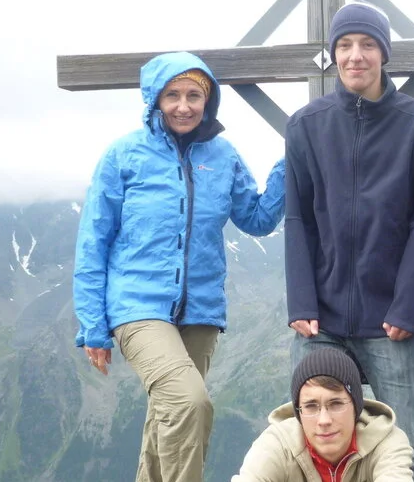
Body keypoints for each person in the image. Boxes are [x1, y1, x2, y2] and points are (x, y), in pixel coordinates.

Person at [73, 51, 286, 482]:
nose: (184, 105)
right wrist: (93, 324)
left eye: (194, 95)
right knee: (190, 403)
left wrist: (292, 163)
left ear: (209, 101)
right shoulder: (124, 155)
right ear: (154, 99)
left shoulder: (223, 155)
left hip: (201, 312)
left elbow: (257, 219)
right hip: (137, 307)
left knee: (166, 418)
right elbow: (93, 242)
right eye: (172, 94)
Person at [283, 0, 414, 482]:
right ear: (333, 54)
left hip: (391, 319)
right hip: (321, 321)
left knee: (412, 447)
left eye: (368, 44)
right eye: (345, 45)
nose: (356, 55)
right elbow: (298, 219)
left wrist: (409, 307)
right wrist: (301, 301)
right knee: (310, 448)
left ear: (384, 54)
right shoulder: (306, 125)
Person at [232, 347, 413, 481]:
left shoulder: (387, 442)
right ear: (298, 413)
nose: (324, 420)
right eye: (311, 406)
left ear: (356, 406)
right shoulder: (277, 444)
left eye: (336, 404)